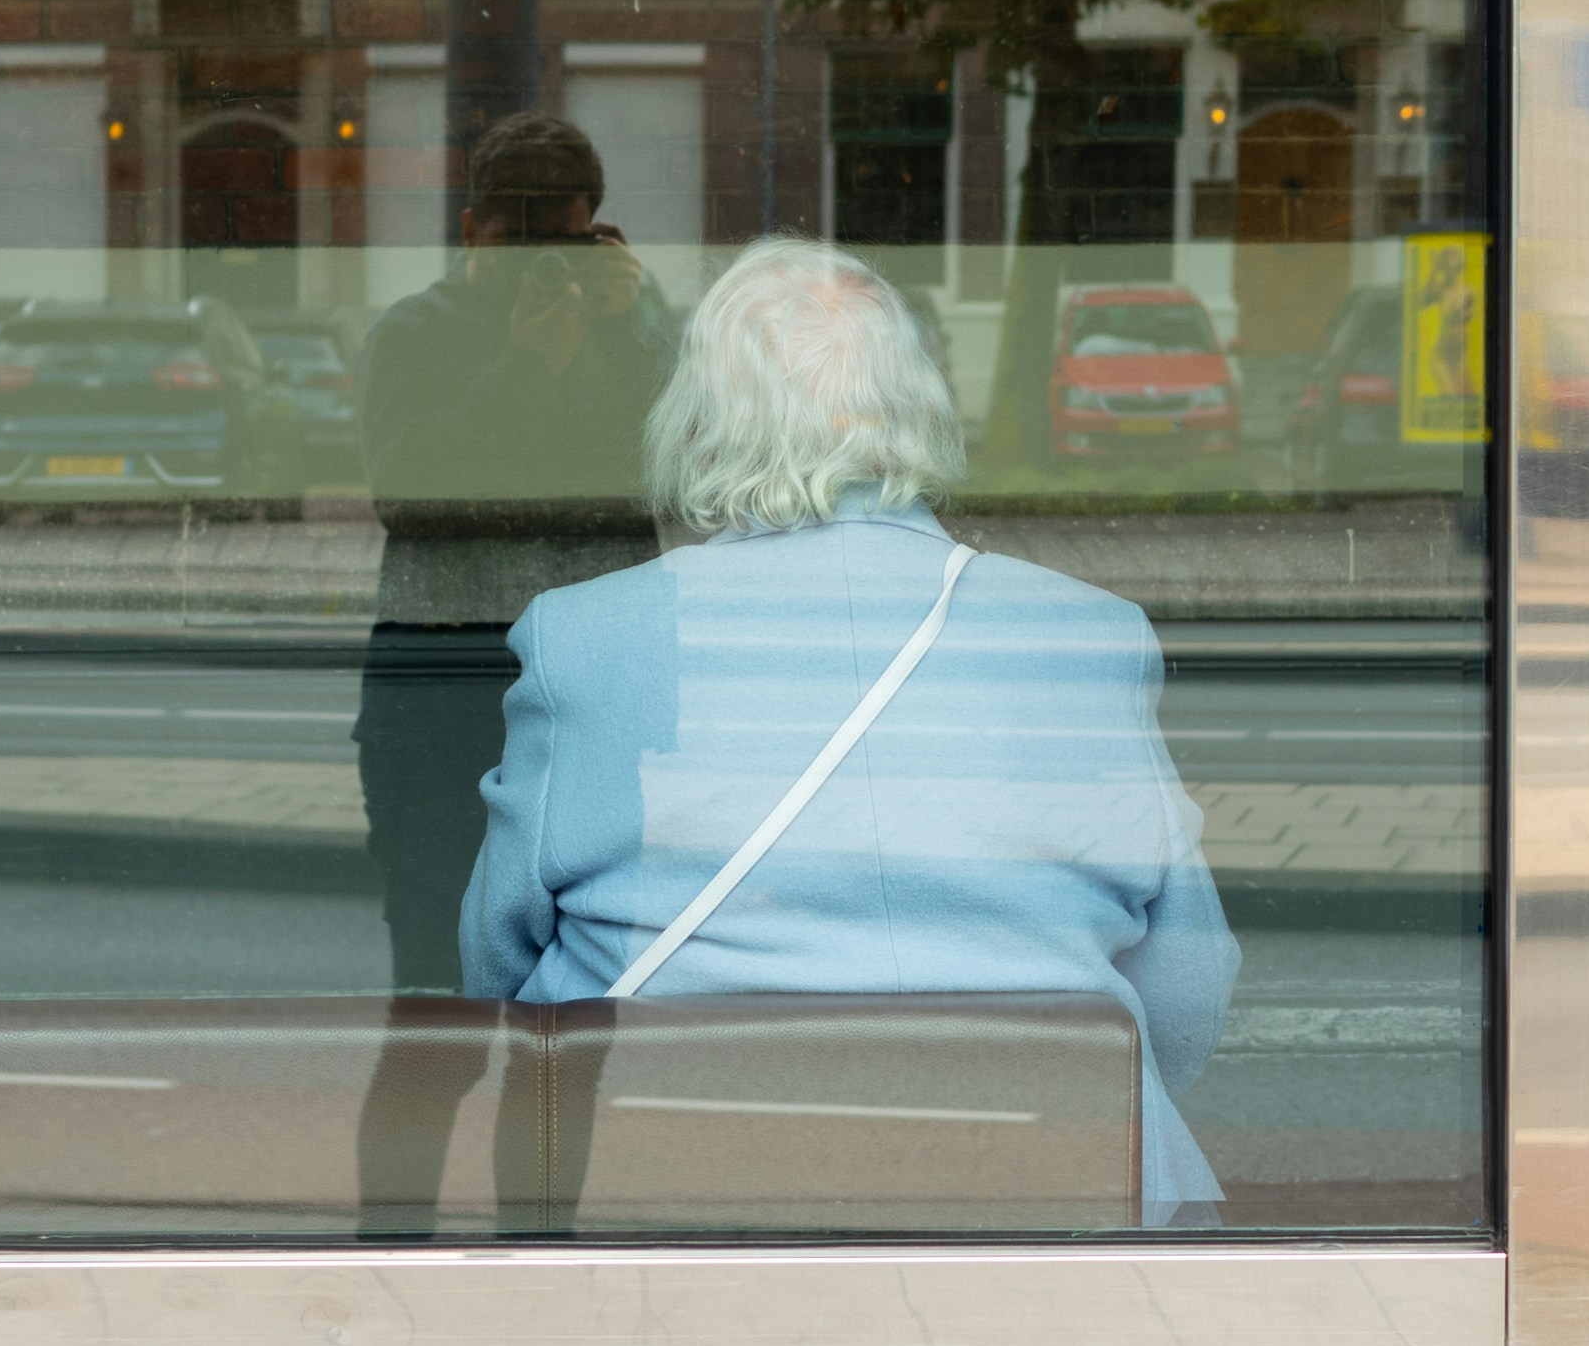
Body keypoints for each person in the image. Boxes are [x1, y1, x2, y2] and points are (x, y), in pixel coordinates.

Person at [463, 234, 1231, 1225]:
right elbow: (1186, 991)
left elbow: (500, 970)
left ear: (698, 421)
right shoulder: (1087, 633)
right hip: (1047, 1214)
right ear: (915, 407)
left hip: (675, 1219)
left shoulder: (587, 636)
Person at [352, 113, 678, 991]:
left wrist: (628, 323)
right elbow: (409, 494)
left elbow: (673, 476)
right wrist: (528, 367)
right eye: (518, 245)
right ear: (469, 233)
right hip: (440, 686)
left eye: (564, 246)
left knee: (579, 1015)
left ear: (598, 240)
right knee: (431, 989)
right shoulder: (416, 332)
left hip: (594, 690)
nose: (542, 268)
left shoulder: (623, 335)